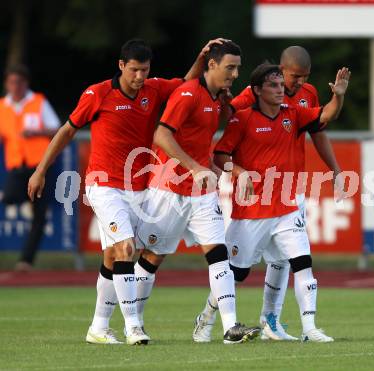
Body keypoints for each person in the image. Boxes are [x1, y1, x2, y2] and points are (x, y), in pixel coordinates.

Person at [28, 38, 222, 345]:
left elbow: (186, 84)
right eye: (134, 70)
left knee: (112, 256)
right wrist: (40, 170)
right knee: (128, 248)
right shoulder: (97, 94)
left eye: (144, 70)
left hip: (140, 190)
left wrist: (201, 57)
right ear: (121, 66)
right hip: (103, 186)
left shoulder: (155, 89)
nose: (139, 77)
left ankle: (98, 328)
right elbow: (67, 130)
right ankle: (134, 328)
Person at [194, 46, 343, 342]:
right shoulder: (245, 113)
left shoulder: (297, 108)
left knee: (298, 261)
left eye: (303, 78)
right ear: (259, 89)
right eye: (286, 80)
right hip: (252, 209)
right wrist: (240, 172)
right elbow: (222, 147)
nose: (289, 87)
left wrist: (338, 95)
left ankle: (298, 326)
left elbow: (322, 122)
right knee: (237, 274)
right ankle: (207, 317)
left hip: (288, 201)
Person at [135, 40, 261, 344]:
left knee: (219, 254)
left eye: (237, 68)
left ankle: (230, 327)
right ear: (212, 65)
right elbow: (161, 135)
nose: (235, 73)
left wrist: (209, 169)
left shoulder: (215, 98)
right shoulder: (188, 93)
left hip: (201, 193)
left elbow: (204, 136)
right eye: (230, 67)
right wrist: (194, 166)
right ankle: (133, 322)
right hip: (169, 190)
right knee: (152, 256)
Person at [0, 65, 60, 272]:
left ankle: (26, 261)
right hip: (17, 167)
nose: (15, 86)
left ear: (26, 83)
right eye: (11, 82)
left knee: (39, 216)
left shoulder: (38, 102)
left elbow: (57, 128)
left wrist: (37, 132)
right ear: (7, 84)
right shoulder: (2, 106)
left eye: (19, 82)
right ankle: (27, 197)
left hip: (40, 167)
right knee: (8, 197)